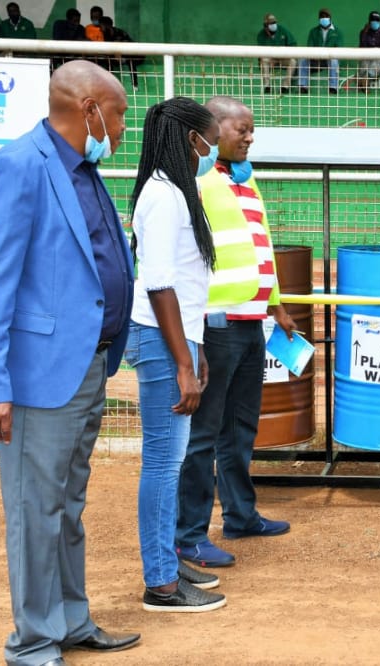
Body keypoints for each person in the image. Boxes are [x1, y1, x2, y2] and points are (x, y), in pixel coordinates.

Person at [0, 60, 140, 664]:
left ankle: (69, 619)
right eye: (117, 115)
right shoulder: (18, 166)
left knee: (67, 506)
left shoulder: (84, 171)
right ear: (89, 107)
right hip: (37, 379)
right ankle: (34, 641)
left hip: (89, 367)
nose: (120, 129)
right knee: (35, 511)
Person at [176, 96, 297, 568]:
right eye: (242, 128)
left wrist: (277, 305)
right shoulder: (196, 181)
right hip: (216, 325)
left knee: (241, 427)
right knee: (203, 434)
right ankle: (189, 534)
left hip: (252, 325)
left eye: (252, 130)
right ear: (212, 129)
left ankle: (241, 516)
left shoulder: (246, 182)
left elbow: (259, 247)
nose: (250, 136)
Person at [126, 97, 228, 613]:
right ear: (193, 139)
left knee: (172, 459)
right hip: (163, 342)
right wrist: (183, 363)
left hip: (179, 339)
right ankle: (161, 584)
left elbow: (187, 284)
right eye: (210, 138)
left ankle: (167, 561)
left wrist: (198, 346)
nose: (214, 148)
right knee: (164, 464)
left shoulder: (174, 192)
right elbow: (160, 283)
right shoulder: (164, 196)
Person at [298, 8, 342, 94]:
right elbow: (309, 48)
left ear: (330, 18)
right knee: (303, 59)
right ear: (319, 18)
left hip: (329, 59)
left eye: (326, 16)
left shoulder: (337, 32)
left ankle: (333, 88)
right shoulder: (313, 31)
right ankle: (303, 86)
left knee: (334, 60)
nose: (324, 18)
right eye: (322, 16)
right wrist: (315, 56)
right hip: (315, 59)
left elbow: (338, 49)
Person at [256, 12, 297, 95]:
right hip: (271, 60)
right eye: (271, 23)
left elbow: (293, 44)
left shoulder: (283, 30)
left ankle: (285, 86)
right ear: (266, 25)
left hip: (283, 58)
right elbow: (260, 53)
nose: (273, 25)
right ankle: (267, 86)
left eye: (274, 22)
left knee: (293, 61)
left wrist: (286, 53)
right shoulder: (261, 35)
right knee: (264, 60)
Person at [100, 15, 143, 90]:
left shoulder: (118, 32)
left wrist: (119, 57)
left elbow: (119, 46)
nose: (100, 28)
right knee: (107, 61)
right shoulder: (106, 33)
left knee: (131, 61)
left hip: (133, 55)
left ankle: (135, 85)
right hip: (119, 55)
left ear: (106, 25)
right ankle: (110, 85)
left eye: (101, 25)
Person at [355, 10, 380, 92]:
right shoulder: (364, 32)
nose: (374, 22)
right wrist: (365, 32)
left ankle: (365, 80)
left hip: (379, 56)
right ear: (369, 21)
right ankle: (362, 81)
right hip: (367, 55)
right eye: (373, 20)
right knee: (364, 61)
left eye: (377, 20)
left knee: (377, 63)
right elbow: (362, 47)